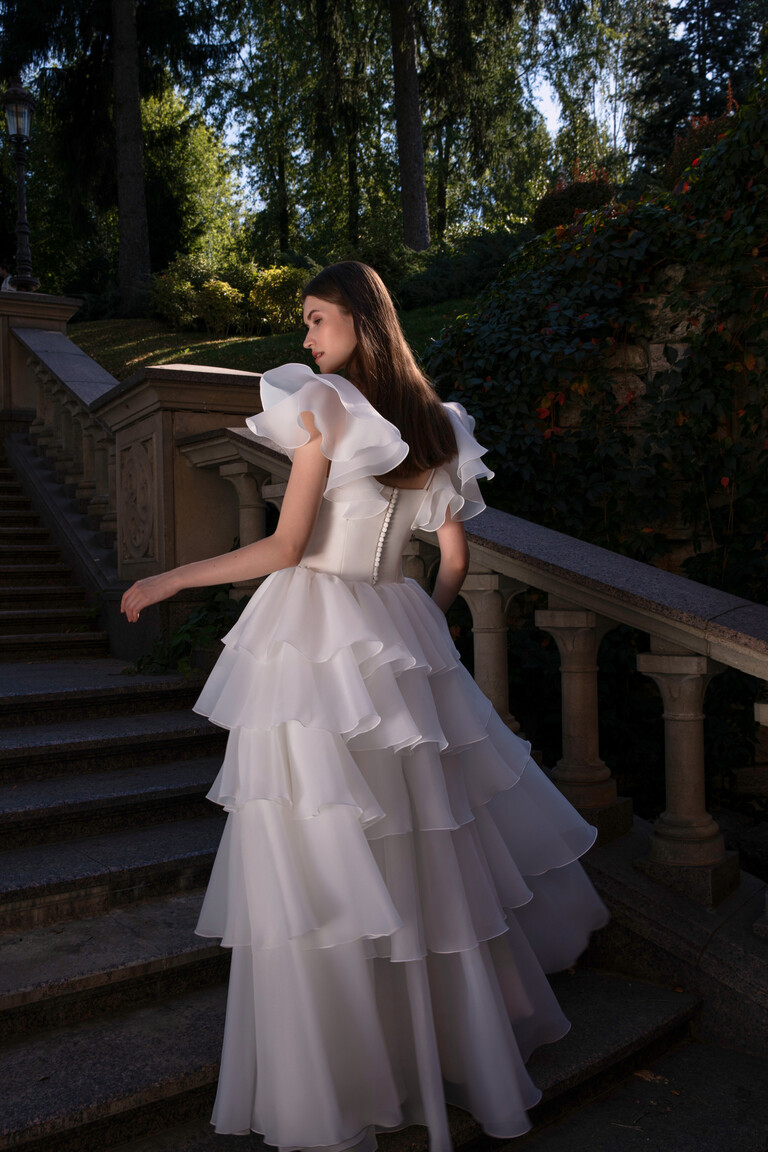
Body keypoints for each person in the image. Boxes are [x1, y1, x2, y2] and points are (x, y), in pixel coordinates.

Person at [121, 261, 608, 1151]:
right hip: (399, 629)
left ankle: (343, 1075)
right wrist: (429, 620)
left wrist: (168, 577)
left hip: (315, 638)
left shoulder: (326, 405)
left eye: (316, 320)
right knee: (419, 849)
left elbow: (285, 543)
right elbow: (452, 560)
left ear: (358, 323)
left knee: (318, 858)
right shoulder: (440, 422)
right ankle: (447, 1054)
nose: (305, 340)